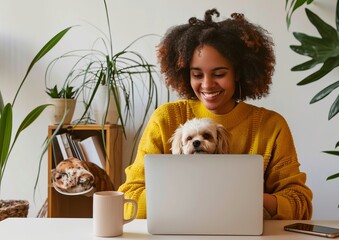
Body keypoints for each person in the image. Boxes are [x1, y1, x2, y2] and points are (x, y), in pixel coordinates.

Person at [118, 8, 313, 220]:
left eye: (219, 74)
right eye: (197, 74)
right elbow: (129, 200)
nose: (208, 85)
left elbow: (300, 204)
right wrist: (189, 196)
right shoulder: (165, 119)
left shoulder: (271, 126)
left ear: (238, 73)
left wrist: (247, 197)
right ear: (186, 74)